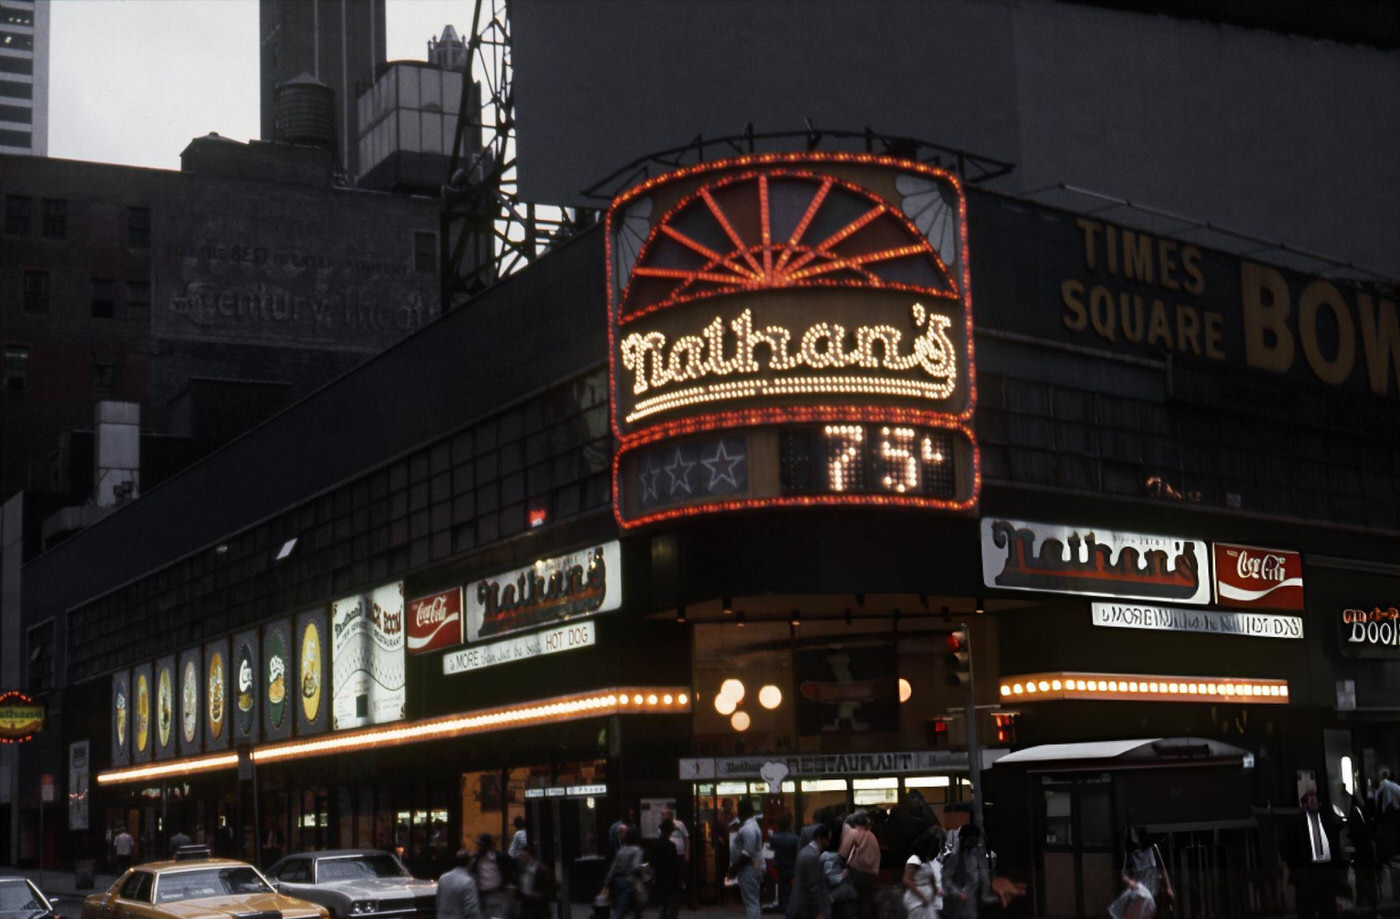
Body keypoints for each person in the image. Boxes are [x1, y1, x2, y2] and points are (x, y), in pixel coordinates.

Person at [1284, 790, 1342, 919]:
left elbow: (1334, 844)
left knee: (1327, 907)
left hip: (1326, 869)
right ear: (1304, 805)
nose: (1313, 803)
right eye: (1309, 800)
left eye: (1315, 800)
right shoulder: (1297, 825)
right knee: (1307, 908)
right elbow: (1290, 848)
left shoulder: (1327, 821)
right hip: (1308, 871)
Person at [1108, 828, 1173, 919]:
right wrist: (1134, 885)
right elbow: (1123, 875)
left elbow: (1162, 868)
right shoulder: (1130, 854)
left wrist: (1168, 887)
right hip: (1139, 896)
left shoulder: (1153, 848)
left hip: (1153, 894)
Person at [837, 811, 878, 919]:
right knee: (866, 905)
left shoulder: (854, 833)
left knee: (853, 904)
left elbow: (843, 853)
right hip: (870, 874)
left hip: (856, 873)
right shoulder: (872, 836)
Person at [729, 798, 764, 919]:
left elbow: (747, 853)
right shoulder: (751, 826)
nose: (737, 812)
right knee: (753, 899)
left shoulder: (748, 829)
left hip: (748, 868)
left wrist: (734, 868)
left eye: (739, 809)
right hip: (754, 865)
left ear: (744, 811)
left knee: (751, 901)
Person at [601, 825, 647, 919]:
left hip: (619, 881)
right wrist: (645, 869)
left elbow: (613, 868)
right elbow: (636, 866)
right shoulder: (637, 850)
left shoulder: (621, 851)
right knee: (623, 909)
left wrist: (606, 884)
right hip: (631, 881)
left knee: (625, 906)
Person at [939, 824, 984, 919]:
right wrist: (957, 893)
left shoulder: (975, 852)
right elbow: (945, 878)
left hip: (971, 904)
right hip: (956, 906)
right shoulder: (953, 855)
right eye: (972, 840)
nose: (975, 843)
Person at [902, 826, 946, 919]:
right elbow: (906, 880)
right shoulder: (914, 859)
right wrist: (922, 897)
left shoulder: (927, 863)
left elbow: (931, 878)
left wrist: (936, 890)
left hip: (928, 901)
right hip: (917, 901)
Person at [790, 822, 832, 919]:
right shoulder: (812, 857)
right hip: (807, 909)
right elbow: (814, 886)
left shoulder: (804, 852)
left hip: (801, 905)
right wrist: (818, 911)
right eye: (827, 839)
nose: (828, 843)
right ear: (820, 838)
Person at [471, 833, 515, 919]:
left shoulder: (500, 858)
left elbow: (512, 870)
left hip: (498, 895)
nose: (478, 848)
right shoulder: (477, 859)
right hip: (482, 896)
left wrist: (505, 885)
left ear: (487, 846)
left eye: (481, 845)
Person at [439, 848, 484, 919]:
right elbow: (472, 908)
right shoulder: (468, 881)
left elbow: (439, 901)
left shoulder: (443, 878)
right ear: (470, 863)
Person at [650, 819, 682, 919]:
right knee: (672, 905)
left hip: (659, 877)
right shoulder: (671, 846)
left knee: (662, 904)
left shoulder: (655, 844)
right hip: (670, 879)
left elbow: (652, 861)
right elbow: (675, 864)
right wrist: (679, 880)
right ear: (670, 831)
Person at [771, 814, 800, 918]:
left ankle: (783, 906)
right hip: (792, 867)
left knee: (782, 890)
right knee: (792, 892)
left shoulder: (774, 838)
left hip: (780, 867)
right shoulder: (795, 839)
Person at [515, 844, 553, 919]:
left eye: (523, 856)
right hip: (526, 902)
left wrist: (541, 893)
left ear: (530, 855)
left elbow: (550, 884)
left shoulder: (541, 868)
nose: (522, 858)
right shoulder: (521, 868)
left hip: (539, 904)